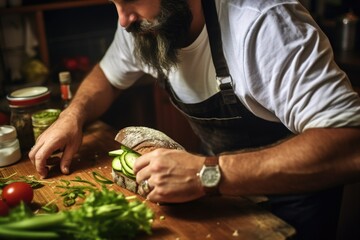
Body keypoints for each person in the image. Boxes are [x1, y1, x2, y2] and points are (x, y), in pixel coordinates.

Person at [29, 0, 360, 239]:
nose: (123, 20)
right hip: (218, 197)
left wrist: (208, 173)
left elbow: (349, 143)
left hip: (291, 206)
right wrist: (74, 113)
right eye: (115, 3)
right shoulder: (141, 24)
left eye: (130, 1)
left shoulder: (263, 23)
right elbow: (108, 76)